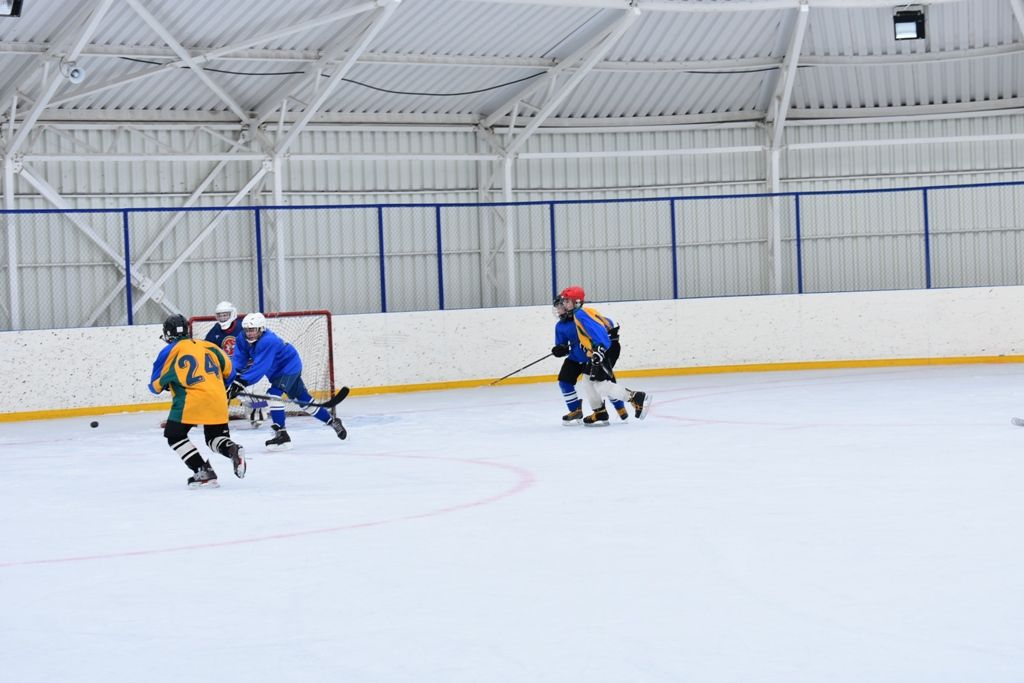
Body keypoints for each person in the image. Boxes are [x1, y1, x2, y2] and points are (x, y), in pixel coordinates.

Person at [149, 313, 246, 489]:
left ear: (168, 333)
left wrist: (166, 384)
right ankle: (232, 449)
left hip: (190, 401)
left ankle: (203, 471)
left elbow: (154, 386)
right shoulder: (210, 346)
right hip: (218, 398)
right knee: (215, 438)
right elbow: (230, 373)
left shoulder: (169, 351)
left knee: (174, 435)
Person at [227, 312, 347, 450]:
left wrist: (242, 382)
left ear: (261, 329)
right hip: (276, 372)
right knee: (305, 403)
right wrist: (233, 378)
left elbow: (260, 366)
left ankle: (282, 434)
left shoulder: (268, 341)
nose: (249, 333)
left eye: (253, 330)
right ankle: (333, 422)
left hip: (289, 368)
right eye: (247, 330)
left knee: (273, 395)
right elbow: (239, 359)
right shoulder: (242, 338)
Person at [552, 285, 652, 425]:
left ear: (577, 302)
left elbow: (599, 333)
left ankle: (636, 397)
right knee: (587, 383)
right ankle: (600, 412)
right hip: (602, 349)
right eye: (565, 301)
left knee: (600, 385)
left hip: (607, 348)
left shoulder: (580, 314)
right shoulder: (580, 313)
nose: (564, 304)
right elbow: (604, 324)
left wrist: (599, 349)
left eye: (568, 302)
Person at [204, 301, 266, 428]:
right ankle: (217, 417)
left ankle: (259, 412)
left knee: (255, 394)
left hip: (247, 369)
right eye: (220, 316)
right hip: (227, 370)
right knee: (220, 394)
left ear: (233, 314)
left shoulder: (242, 328)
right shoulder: (214, 331)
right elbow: (207, 349)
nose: (222, 318)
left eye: (225, 315)